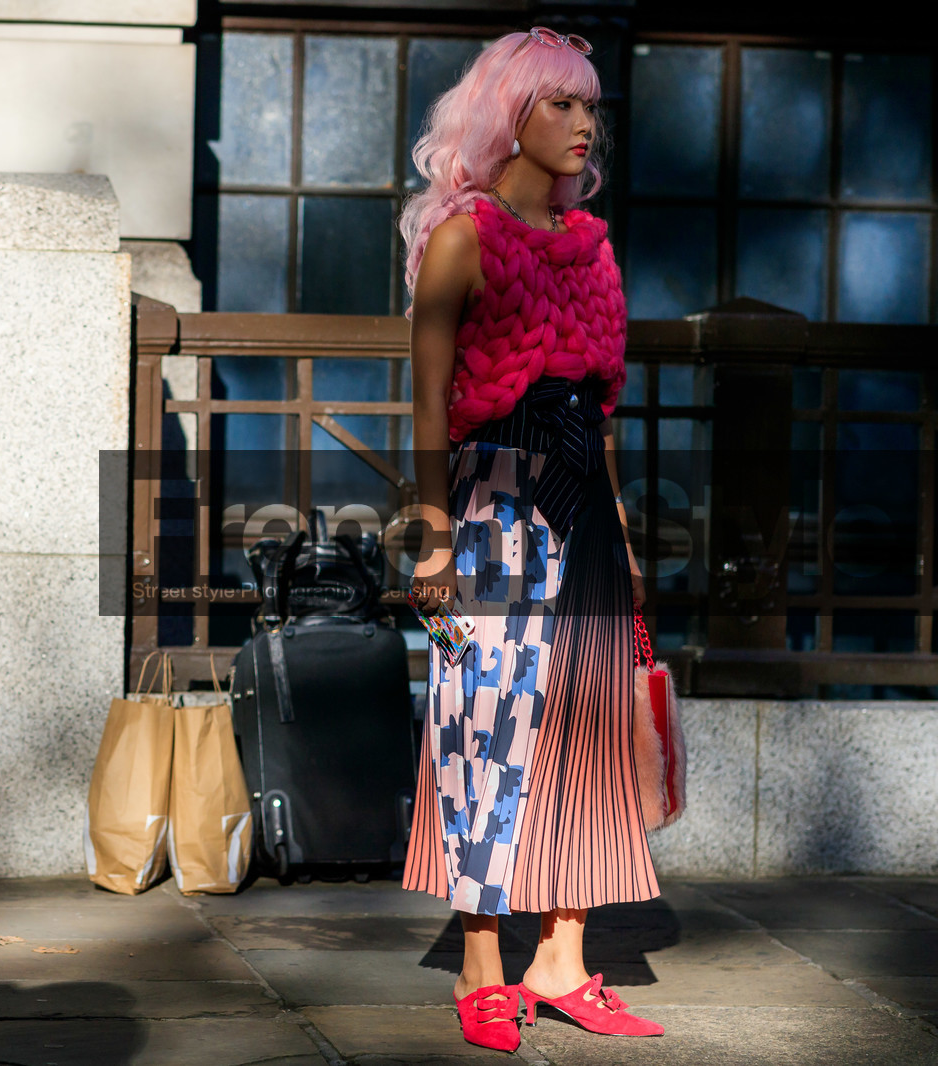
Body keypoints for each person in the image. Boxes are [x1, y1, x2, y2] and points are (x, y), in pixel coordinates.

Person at [398, 27, 662, 1052]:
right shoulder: (463, 236)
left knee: (586, 736)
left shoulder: (593, 249)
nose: (585, 122)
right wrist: (430, 539)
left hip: (583, 512)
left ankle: (562, 957)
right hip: (493, 502)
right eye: (562, 102)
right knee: (483, 729)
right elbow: (427, 406)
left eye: (590, 106)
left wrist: (626, 536)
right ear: (511, 110)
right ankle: (479, 964)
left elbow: (595, 413)